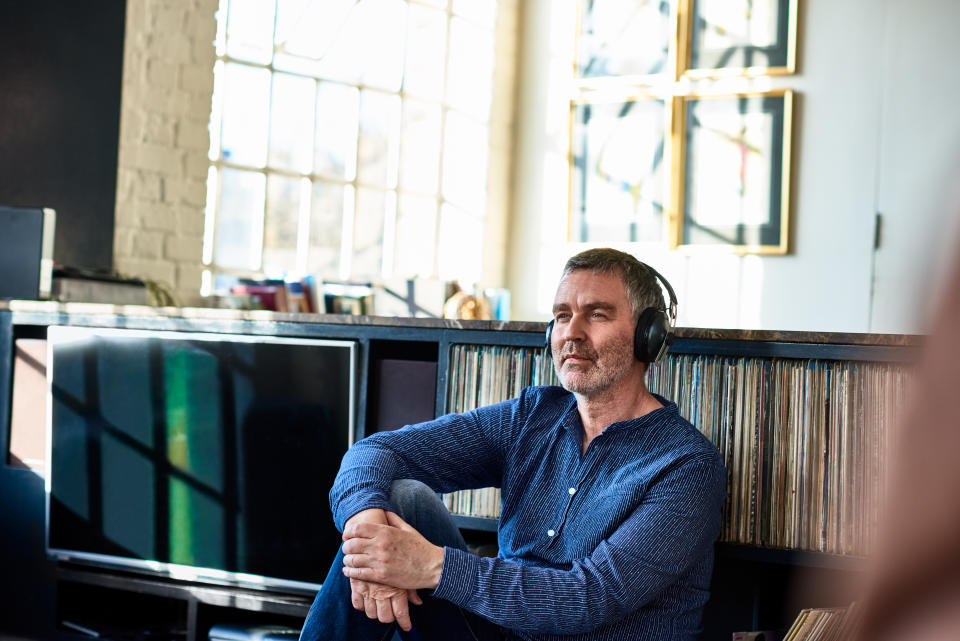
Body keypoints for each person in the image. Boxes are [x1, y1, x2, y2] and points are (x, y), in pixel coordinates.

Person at [299, 248, 726, 641]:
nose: (571, 334)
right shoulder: (532, 415)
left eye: (596, 314)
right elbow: (374, 452)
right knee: (398, 498)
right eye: (561, 316)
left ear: (647, 336)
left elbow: (588, 597)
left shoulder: (686, 466)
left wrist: (428, 565)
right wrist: (368, 534)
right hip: (493, 633)